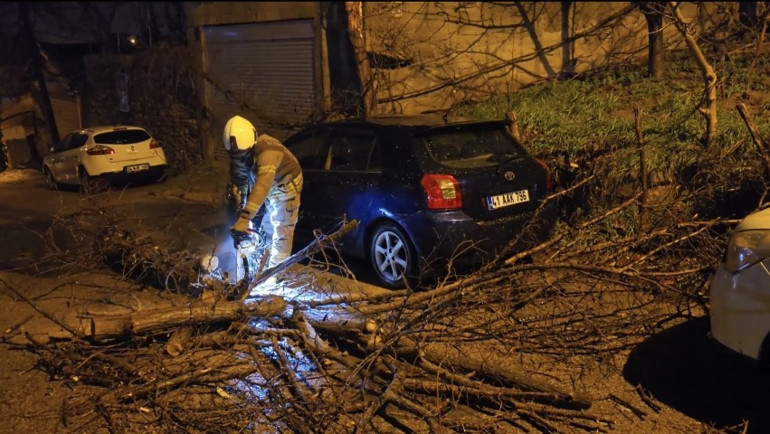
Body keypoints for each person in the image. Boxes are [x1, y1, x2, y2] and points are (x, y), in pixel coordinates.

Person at [223, 115, 303, 269]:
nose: (240, 159)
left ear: (252, 144)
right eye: (236, 157)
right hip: (270, 186)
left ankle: (276, 273)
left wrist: (245, 218)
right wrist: (241, 209)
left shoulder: (268, 153)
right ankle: (264, 265)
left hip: (286, 187)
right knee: (267, 227)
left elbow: (262, 186)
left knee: (281, 231)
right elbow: (241, 182)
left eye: (243, 155)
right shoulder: (242, 152)